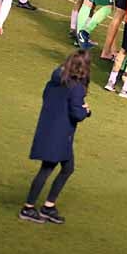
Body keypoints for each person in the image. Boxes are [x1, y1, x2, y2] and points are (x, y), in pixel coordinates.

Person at [19, 50, 91, 225]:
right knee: (49, 169)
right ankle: (30, 207)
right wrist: (86, 111)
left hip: (48, 129)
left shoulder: (55, 80)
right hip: (61, 135)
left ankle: (47, 206)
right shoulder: (76, 88)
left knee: (66, 168)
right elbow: (77, 113)